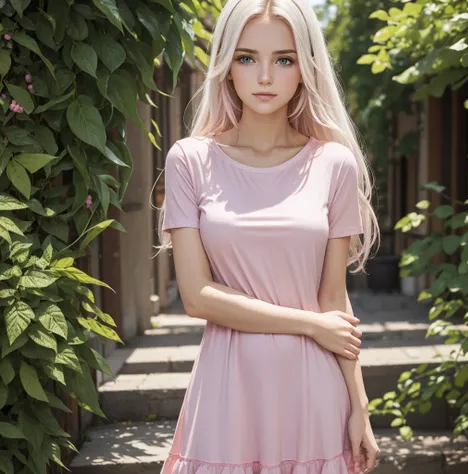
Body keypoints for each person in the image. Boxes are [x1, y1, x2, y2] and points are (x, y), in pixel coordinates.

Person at [157, 0, 381, 473]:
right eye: (246, 57)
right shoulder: (189, 160)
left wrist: (360, 407)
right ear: (225, 66)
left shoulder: (333, 164)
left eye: (283, 59)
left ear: (304, 68)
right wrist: (310, 325)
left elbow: (334, 301)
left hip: (314, 392)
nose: (264, 76)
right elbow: (197, 297)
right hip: (227, 390)